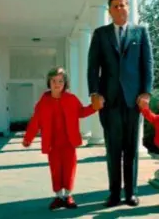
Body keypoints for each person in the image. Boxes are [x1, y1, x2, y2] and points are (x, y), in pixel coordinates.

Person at [87, 0, 154, 207]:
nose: (120, 9)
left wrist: (146, 92)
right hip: (110, 101)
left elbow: (148, 64)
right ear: (109, 10)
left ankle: (131, 194)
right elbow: (92, 66)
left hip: (133, 101)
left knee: (131, 149)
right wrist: (95, 93)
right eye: (115, 6)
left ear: (128, 7)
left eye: (123, 5)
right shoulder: (100, 34)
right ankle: (114, 194)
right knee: (113, 149)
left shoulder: (141, 32)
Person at [22, 67, 104, 210]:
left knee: (69, 169)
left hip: (69, 142)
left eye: (60, 81)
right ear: (49, 82)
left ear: (65, 83)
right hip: (52, 143)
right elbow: (35, 121)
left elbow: (82, 112)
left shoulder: (71, 99)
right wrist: (28, 138)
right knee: (55, 170)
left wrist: (94, 107)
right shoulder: (43, 102)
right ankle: (58, 196)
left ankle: (68, 195)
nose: (57, 84)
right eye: (53, 81)